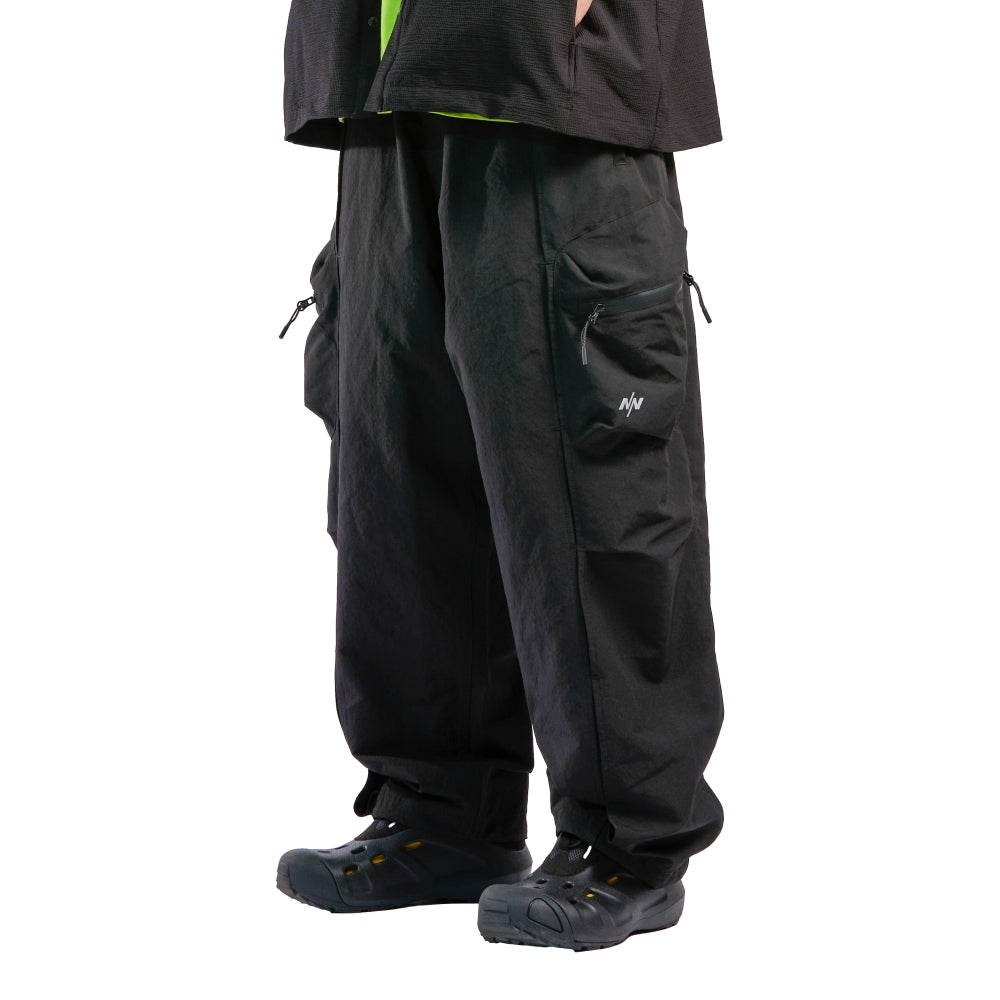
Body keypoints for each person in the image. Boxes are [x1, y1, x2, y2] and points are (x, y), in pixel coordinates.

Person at [275, 0, 725, 951]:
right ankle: (442, 811)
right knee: (398, 469)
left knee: (592, 485)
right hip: (387, 89)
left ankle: (629, 843)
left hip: (550, 85)